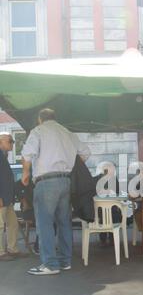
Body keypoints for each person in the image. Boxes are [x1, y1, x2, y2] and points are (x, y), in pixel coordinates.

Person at [22, 108, 90, 275]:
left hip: (46, 181)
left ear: (40, 119)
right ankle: (65, 261)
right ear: (55, 117)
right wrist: (70, 166)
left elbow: (27, 154)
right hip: (66, 181)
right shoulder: (67, 132)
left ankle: (50, 265)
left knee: (45, 223)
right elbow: (86, 152)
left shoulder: (38, 131)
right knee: (64, 222)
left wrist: (25, 174)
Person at [0, 133, 28, 261]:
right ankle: (1, 253)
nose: (12, 143)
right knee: (0, 225)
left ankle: (12, 249)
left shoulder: (3, 156)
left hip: (7, 198)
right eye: (10, 141)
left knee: (13, 224)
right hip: (2, 197)